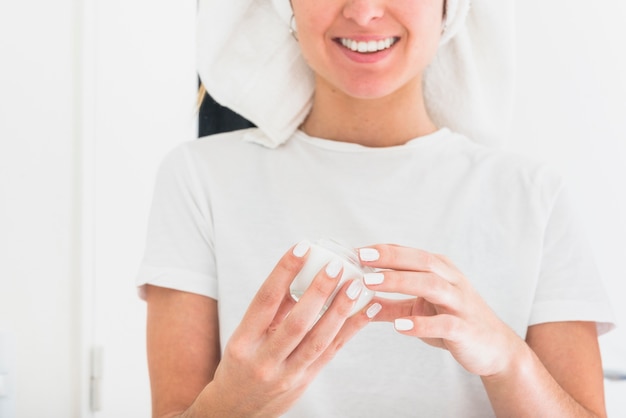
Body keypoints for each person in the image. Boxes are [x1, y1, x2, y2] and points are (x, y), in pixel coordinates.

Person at [137, 0, 615, 416]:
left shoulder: (532, 194)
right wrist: (234, 403)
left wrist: (508, 359)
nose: (364, 11)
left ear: (450, 5)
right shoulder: (200, 178)